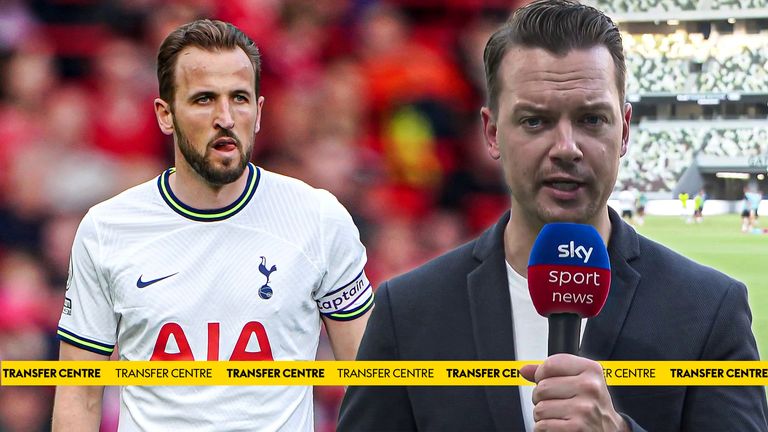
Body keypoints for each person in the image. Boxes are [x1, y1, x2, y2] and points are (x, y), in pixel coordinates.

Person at [338, 1, 767, 431]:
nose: (566, 147)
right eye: (535, 121)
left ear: (624, 131)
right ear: (492, 133)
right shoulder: (408, 311)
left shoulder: (708, 309)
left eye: (591, 119)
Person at [52, 20, 373, 431]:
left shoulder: (319, 219)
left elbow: (368, 383)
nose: (225, 117)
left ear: (258, 112)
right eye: (204, 99)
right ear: (165, 115)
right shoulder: (107, 228)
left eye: (239, 98)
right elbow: (79, 396)